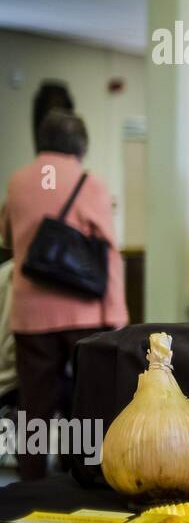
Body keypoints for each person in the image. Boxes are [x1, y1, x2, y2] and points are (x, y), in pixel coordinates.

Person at [0, 110, 128, 480]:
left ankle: (31, 480)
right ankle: (82, 473)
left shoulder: (18, 182)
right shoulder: (90, 183)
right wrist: (117, 317)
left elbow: (7, 236)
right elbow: (109, 252)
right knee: (89, 396)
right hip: (83, 313)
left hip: (30, 315)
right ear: (82, 145)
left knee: (34, 402)